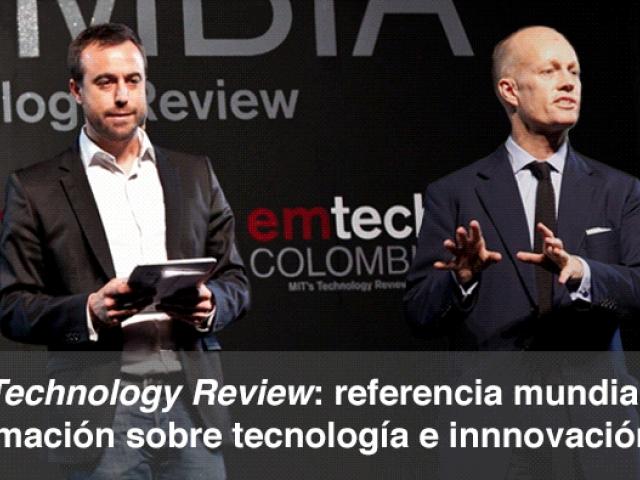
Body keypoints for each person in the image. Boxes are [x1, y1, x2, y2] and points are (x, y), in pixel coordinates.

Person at [0, 23, 249, 478]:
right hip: (100, 414)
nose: (121, 96)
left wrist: (211, 303)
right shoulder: (34, 188)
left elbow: (236, 279)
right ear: (76, 90)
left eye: (132, 80)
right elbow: (12, 305)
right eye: (105, 82)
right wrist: (89, 311)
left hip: (192, 409)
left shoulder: (194, 173)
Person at [404, 26, 640, 478]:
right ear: (510, 90)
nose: (568, 83)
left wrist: (582, 271)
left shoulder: (621, 191)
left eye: (573, 72)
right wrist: (461, 278)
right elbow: (419, 313)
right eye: (550, 72)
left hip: (593, 426)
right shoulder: (455, 193)